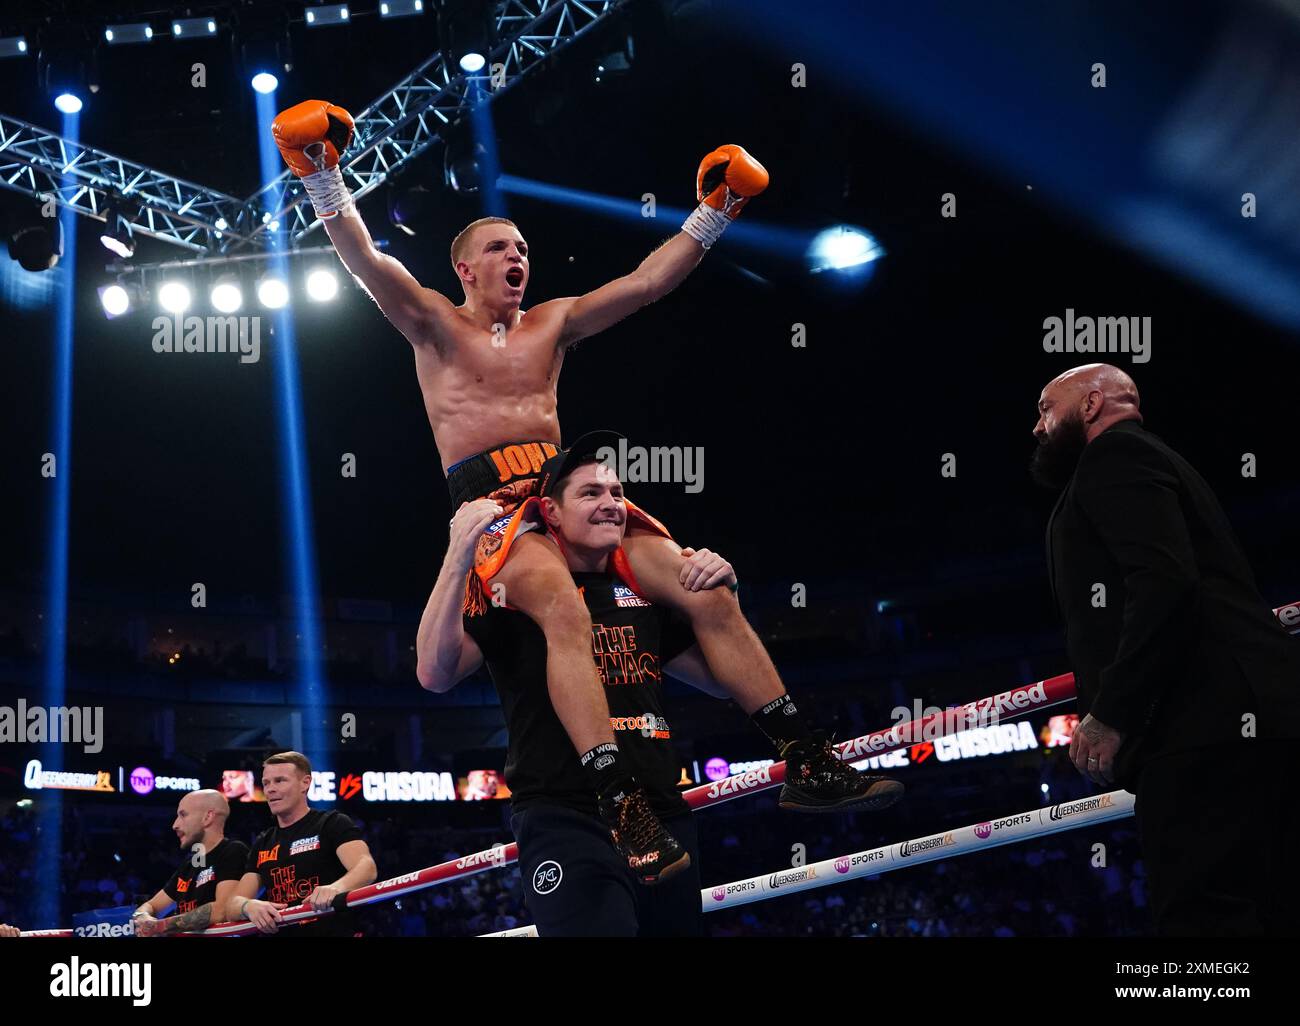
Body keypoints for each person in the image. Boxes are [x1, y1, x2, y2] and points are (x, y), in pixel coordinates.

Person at [270, 100, 855, 880]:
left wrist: (717, 210)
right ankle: (621, 800)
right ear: (465, 269)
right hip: (495, 506)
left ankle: (804, 755)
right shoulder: (434, 326)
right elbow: (365, 259)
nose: (518, 258)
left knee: (702, 587)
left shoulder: (555, 322)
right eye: (499, 248)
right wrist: (322, 173)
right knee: (560, 607)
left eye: (523, 248)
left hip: (564, 484)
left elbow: (648, 284)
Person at [417, 433, 903, 931]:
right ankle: (618, 794)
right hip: (567, 814)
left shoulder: (642, 591)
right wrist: (457, 559)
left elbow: (720, 683)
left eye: (617, 494)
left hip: (662, 816)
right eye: (591, 494)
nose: (611, 505)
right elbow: (434, 674)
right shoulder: (516, 594)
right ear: (551, 513)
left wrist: (729, 594)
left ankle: (803, 755)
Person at [1032, 362, 1300, 936]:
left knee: (1204, 919)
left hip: (1201, 728)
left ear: (1090, 405)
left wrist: (1111, 712)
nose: (1037, 427)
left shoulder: (1114, 458)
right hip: (1250, 720)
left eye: (1045, 409)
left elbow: (1164, 583)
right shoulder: (1158, 460)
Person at [227, 752, 378, 936]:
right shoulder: (263, 842)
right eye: (266, 783)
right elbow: (232, 904)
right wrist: (248, 905)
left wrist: (335, 888)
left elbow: (366, 867)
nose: (270, 789)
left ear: (305, 783)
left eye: (280, 781)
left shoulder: (331, 823)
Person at [130, 789, 249, 937]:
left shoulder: (233, 851)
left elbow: (222, 910)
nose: (175, 825)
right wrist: (143, 917)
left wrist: (162, 926)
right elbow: (151, 905)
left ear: (207, 817)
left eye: (183, 815)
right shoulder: (190, 863)